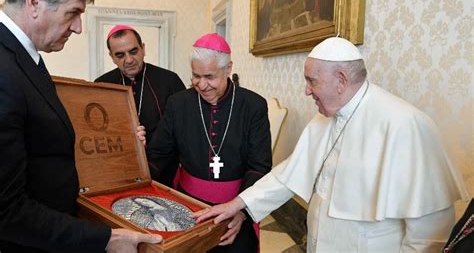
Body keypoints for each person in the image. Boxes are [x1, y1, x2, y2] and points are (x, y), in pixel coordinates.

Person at [194, 37, 469, 252]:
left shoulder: (404, 124)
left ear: (341, 80)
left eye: (311, 81)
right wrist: (239, 203)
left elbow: (429, 228)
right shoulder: (325, 117)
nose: (306, 90)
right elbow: (288, 175)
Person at [0, 0, 161, 252]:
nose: (78, 28)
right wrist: (105, 239)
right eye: (73, 13)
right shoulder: (4, 68)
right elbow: (6, 211)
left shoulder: (24, 56)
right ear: (35, 0)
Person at [146, 33, 272, 252]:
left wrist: (241, 212)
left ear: (228, 68)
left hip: (237, 206)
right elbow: (160, 155)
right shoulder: (178, 104)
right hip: (187, 206)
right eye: (196, 76)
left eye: (210, 76)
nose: (202, 85)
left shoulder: (253, 106)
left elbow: (259, 166)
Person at [95, 24, 186, 187]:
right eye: (120, 55)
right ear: (111, 56)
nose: (128, 60)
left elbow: (183, 131)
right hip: (118, 171)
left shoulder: (169, 81)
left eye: (133, 51)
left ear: (143, 48)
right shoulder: (102, 84)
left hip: (164, 173)